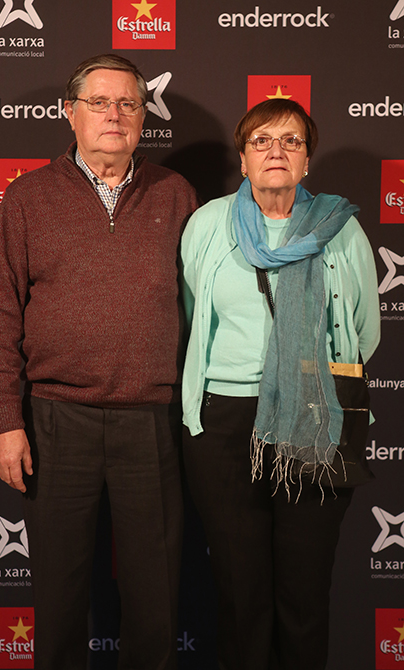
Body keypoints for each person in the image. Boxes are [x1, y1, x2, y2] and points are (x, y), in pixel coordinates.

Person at [0, 54, 198, 670]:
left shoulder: (177, 194)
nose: (114, 115)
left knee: (156, 600)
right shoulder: (28, 197)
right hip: (55, 420)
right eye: (99, 102)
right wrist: (5, 422)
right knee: (58, 598)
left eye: (128, 103)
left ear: (143, 117)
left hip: (153, 422)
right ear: (69, 113)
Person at [181, 98, 380, 670]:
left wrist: (302, 381)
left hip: (316, 417)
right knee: (240, 591)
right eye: (262, 140)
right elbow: (191, 314)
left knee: (303, 591)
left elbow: (363, 330)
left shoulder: (340, 227)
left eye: (291, 141)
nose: (277, 151)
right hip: (224, 422)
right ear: (243, 159)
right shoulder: (209, 223)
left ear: (307, 161)